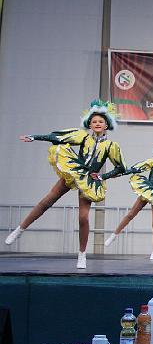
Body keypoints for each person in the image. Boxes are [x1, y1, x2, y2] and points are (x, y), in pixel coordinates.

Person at [5, 100, 126, 269]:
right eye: (94, 121)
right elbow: (57, 137)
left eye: (101, 121)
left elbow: (121, 168)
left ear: (107, 125)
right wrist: (35, 137)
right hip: (74, 170)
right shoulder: (83, 137)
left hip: (89, 180)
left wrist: (102, 176)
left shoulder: (111, 146)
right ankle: (20, 229)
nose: (97, 123)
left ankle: (82, 255)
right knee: (47, 200)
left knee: (83, 217)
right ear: (89, 125)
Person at [104, 139, 153, 259]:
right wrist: (121, 173)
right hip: (147, 190)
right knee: (131, 214)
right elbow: (136, 168)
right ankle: (114, 235)